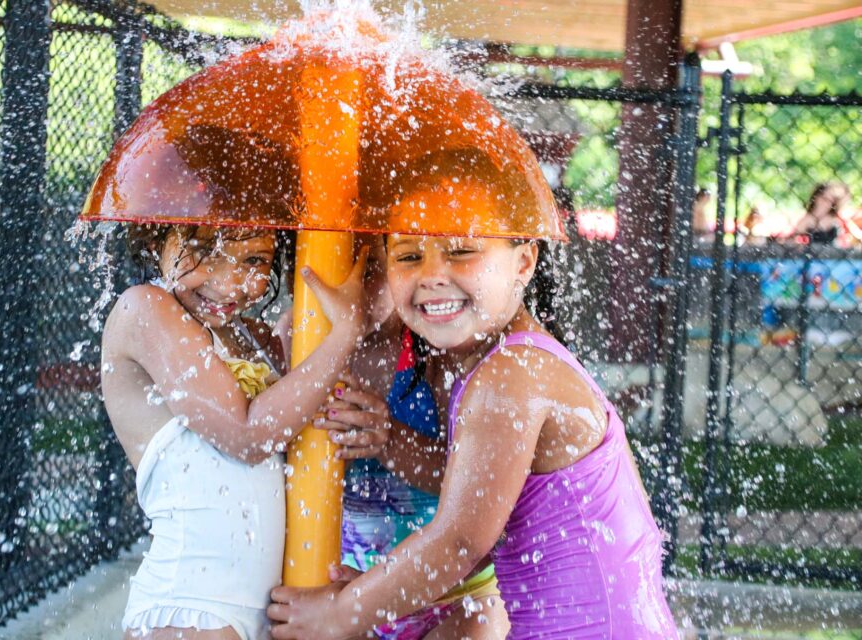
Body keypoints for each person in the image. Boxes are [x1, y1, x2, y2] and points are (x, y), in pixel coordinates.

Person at [267, 148, 678, 639]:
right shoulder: (501, 364)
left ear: (524, 261)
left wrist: (341, 615)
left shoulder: (511, 377)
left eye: (461, 249)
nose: (433, 274)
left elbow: (459, 540)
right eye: (407, 255)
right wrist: (377, 592)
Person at [102, 221, 367, 637]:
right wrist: (345, 334)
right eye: (205, 250)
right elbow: (247, 437)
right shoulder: (145, 310)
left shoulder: (255, 336)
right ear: (156, 242)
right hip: (191, 606)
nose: (230, 282)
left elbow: (293, 452)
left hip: (265, 610)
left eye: (255, 259)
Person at [279, 234, 510, 639]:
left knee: (486, 618)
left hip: (452, 596)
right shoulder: (295, 341)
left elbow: (476, 484)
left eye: (368, 271)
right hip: (345, 590)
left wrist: (390, 440)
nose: (350, 290)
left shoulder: (435, 349)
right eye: (335, 272)